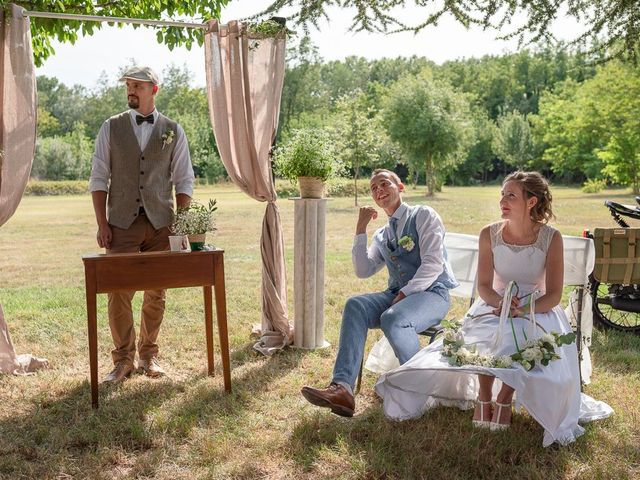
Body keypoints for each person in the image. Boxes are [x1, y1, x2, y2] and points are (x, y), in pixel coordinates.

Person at [375, 171, 612, 446]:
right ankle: (483, 395)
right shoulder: (489, 233)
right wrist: (500, 304)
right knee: (481, 334)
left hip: (536, 307)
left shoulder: (551, 238)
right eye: (502, 194)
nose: (503, 200)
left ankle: (504, 399)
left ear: (531, 202)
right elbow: (485, 285)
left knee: (517, 334)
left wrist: (522, 309)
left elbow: (555, 295)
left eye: (511, 195)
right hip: (494, 301)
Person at [301, 169, 458, 417]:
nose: (378, 190)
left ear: (401, 187)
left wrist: (406, 293)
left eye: (384, 184)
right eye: (373, 188)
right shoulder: (383, 234)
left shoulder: (423, 215)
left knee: (392, 317)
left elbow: (433, 263)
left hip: (432, 294)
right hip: (397, 295)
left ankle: (419, 387)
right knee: (356, 305)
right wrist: (360, 228)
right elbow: (363, 270)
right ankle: (342, 389)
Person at [89, 65, 195, 385]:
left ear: (154, 90)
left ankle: (149, 356)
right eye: (128, 85)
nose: (131, 90)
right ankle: (123, 360)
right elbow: (98, 177)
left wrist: (180, 223)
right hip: (121, 222)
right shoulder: (111, 127)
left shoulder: (172, 129)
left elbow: (184, 179)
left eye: (138, 85)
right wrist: (101, 223)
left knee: (156, 292)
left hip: (161, 223)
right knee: (118, 291)